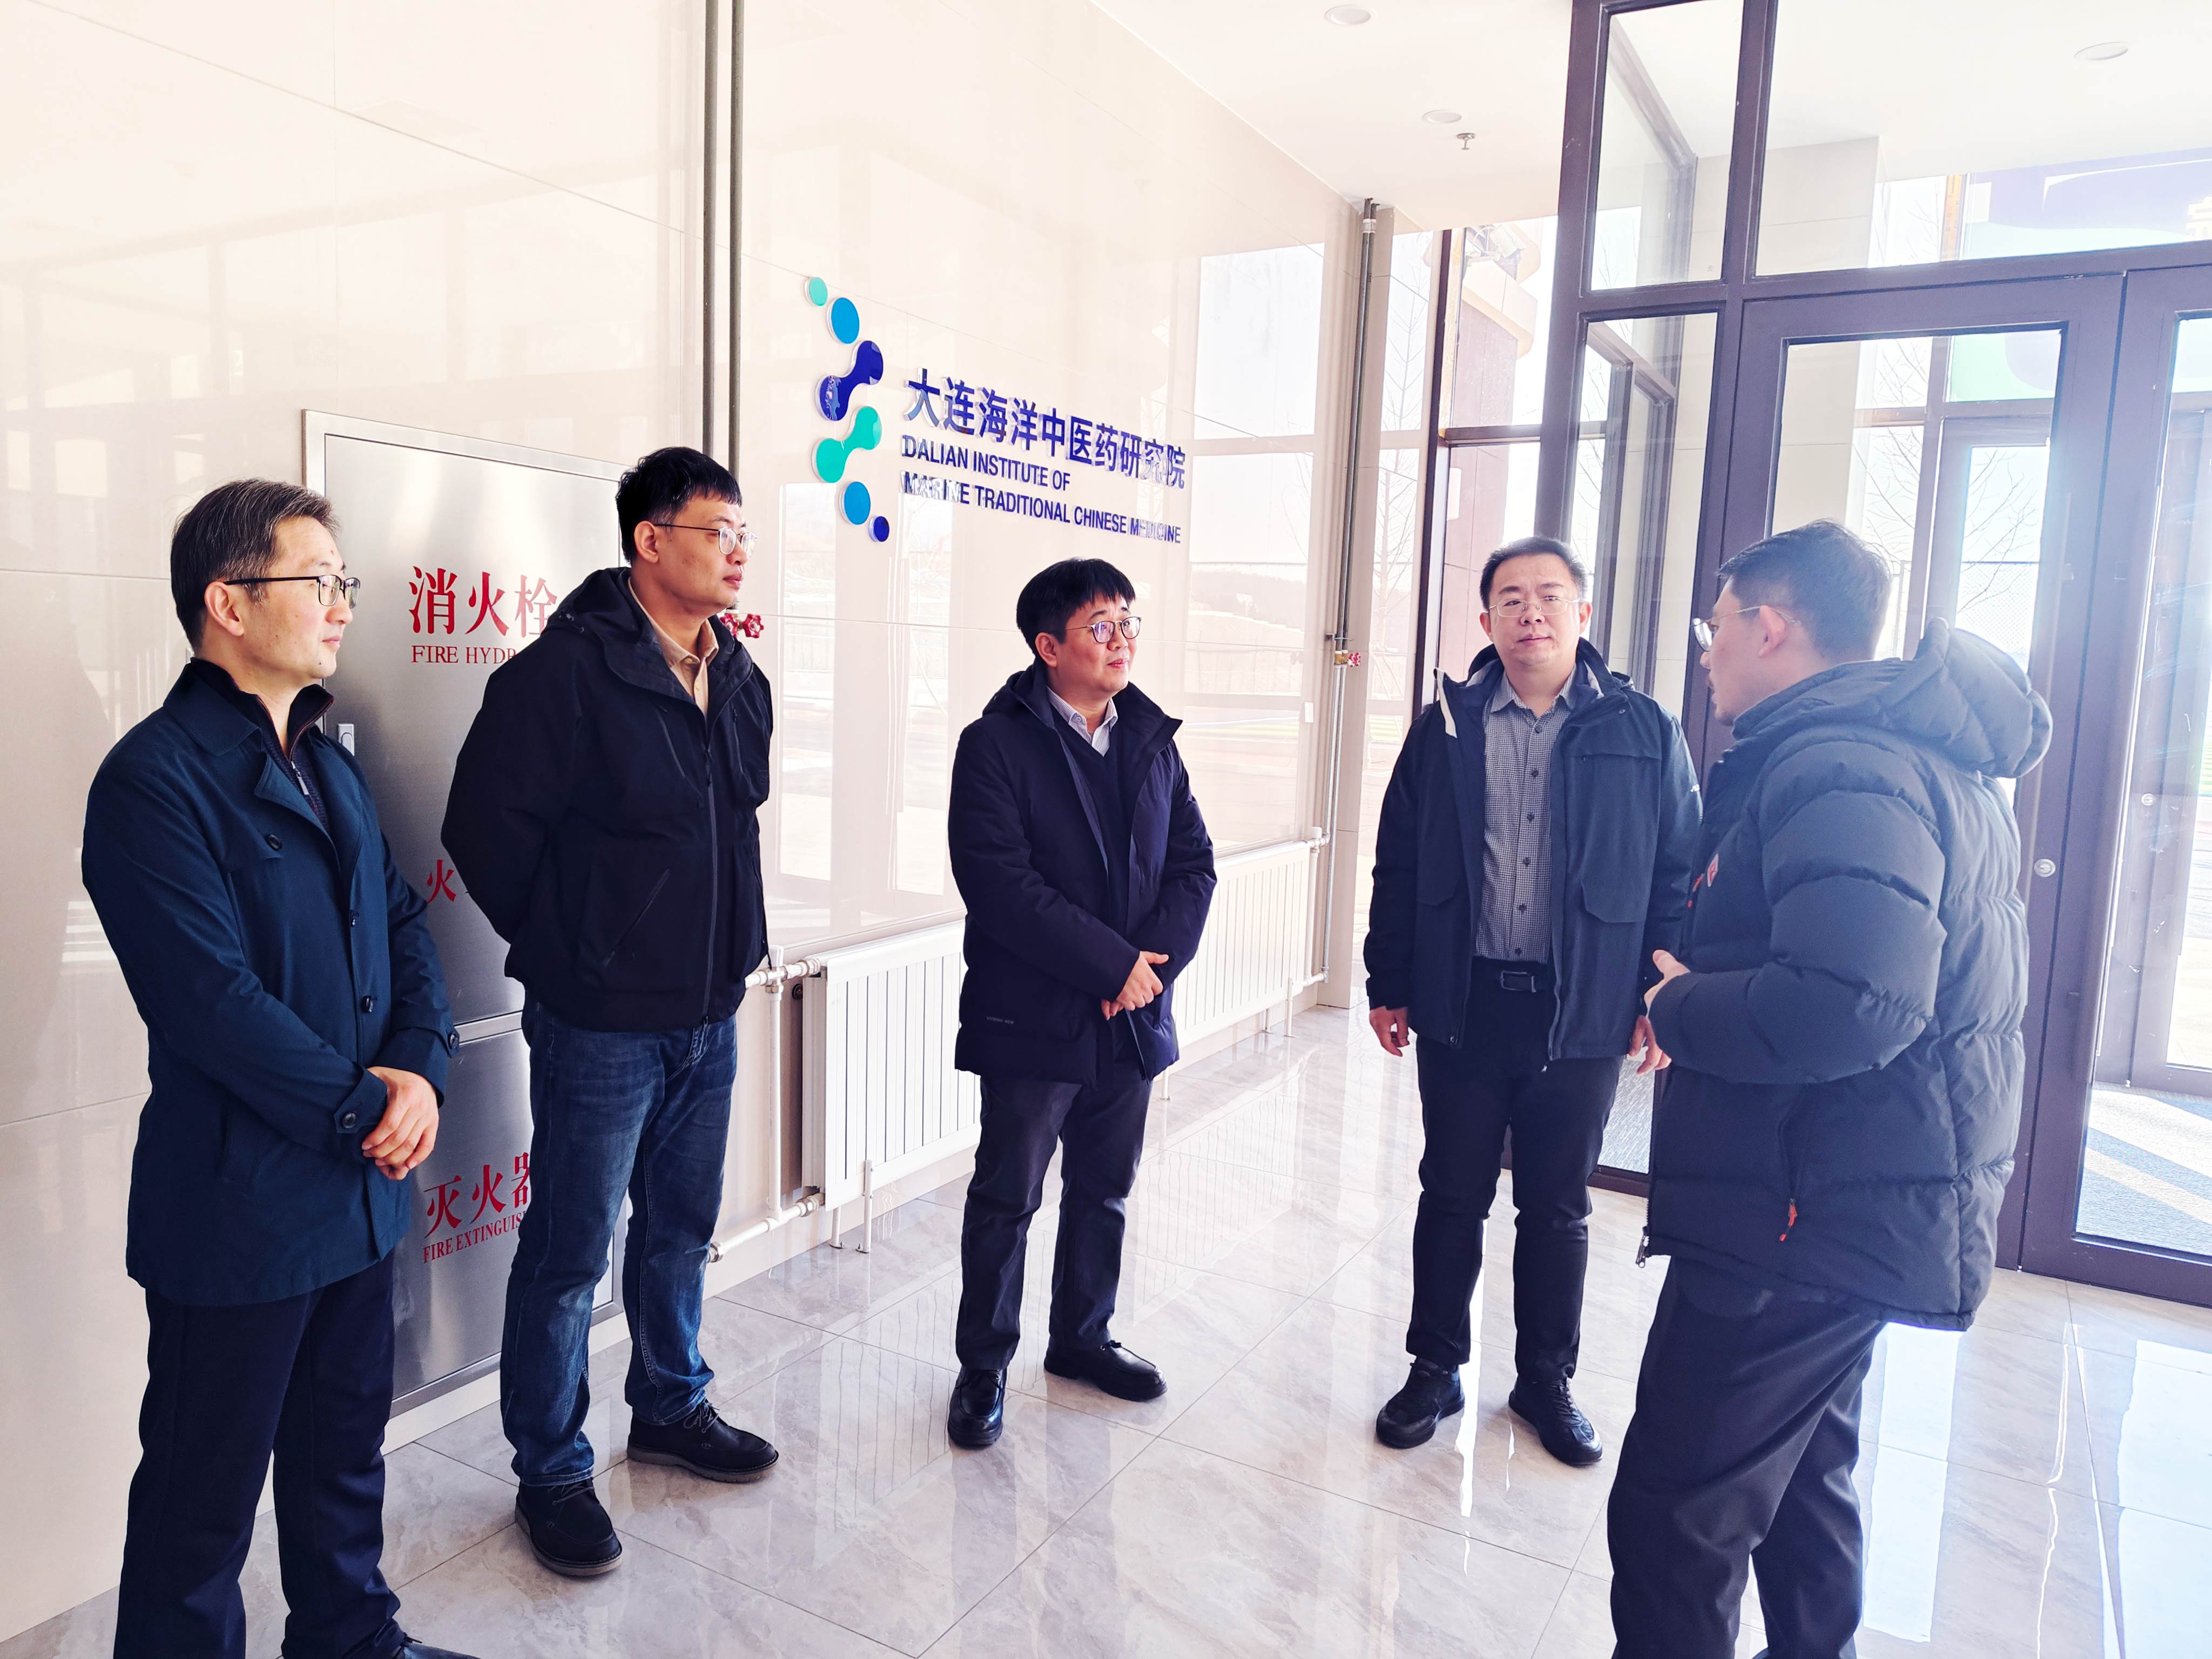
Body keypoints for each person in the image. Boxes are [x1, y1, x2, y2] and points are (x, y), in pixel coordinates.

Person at [1608, 521, 2052, 1658]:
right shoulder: (1902, 753)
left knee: (1675, 1516)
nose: (1706, 653)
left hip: (1796, 1215)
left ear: (1768, 627)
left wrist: (1676, 1007)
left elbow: (1854, 1000)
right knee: (1804, 1482)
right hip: (1841, 1199)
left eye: (1713, 628)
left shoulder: (1839, 764)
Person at [83, 480, 473, 1659]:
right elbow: (210, 1003)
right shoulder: (153, 780)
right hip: (240, 1207)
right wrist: (366, 1109)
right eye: (320, 582)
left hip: (356, 1194)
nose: (343, 604)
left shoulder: (326, 762)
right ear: (229, 604)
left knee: (342, 1455)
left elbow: (401, 925)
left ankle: (350, 1637)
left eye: (345, 582)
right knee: (200, 1504)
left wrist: (420, 1069)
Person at [442, 446, 775, 1577]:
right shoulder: (562, 677)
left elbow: (732, 830)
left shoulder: (738, 675)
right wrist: (579, 951)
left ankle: (671, 1407)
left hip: (709, 1012)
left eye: (743, 533)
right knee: (569, 1253)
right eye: (719, 531)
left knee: (679, 1232)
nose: (738, 551)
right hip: (601, 1025)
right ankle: (551, 1468)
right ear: (650, 540)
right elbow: (483, 832)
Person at [1363, 535, 1700, 1464]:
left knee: (1557, 1206)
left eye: (1550, 595)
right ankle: (1436, 1367)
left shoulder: (1643, 729)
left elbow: (1677, 872)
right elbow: (1399, 860)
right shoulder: (1445, 725)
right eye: (1510, 598)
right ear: (1487, 620)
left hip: (1581, 1006)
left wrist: (1661, 995)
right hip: (1465, 1000)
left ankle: (1545, 1380)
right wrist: (1389, 980)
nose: (1531, 612)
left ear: (1583, 614)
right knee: (1451, 1192)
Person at [943, 557, 1216, 1448]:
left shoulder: (1151, 738)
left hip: (1130, 1016)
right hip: (1036, 1014)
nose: (1122, 639)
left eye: (1129, 622)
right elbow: (1001, 886)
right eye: (1102, 626)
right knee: (1008, 1196)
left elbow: (1194, 866)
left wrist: (1147, 975)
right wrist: (1112, 969)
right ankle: (984, 1366)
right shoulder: (996, 745)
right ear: (1048, 647)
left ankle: (1083, 1338)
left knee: (1105, 1188)